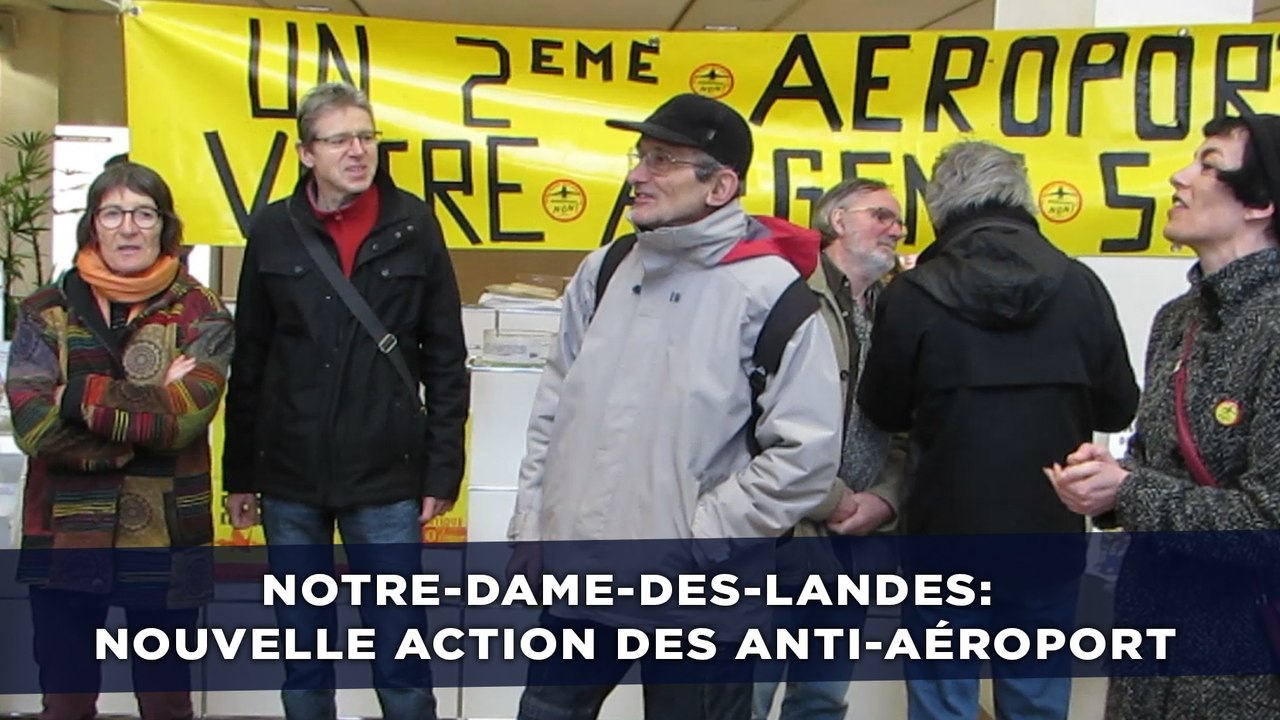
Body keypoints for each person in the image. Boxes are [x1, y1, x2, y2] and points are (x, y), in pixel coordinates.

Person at [506, 93, 843, 720]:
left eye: (663, 160)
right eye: (640, 157)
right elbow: (554, 408)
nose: (638, 174)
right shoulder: (604, 269)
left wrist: (698, 538)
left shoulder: (773, 296)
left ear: (721, 186)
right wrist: (533, 524)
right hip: (580, 583)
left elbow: (807, 456)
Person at [857, 140, 1140, 720]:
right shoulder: (1080, 285)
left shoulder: (912, 293)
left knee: (942, 705)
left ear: (941, 204)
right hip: (1048, 532)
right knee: (1036, 703)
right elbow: (1117, 409)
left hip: (942, 536)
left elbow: (881, 410)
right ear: (1023, 196)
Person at [222, 81, 469, 720]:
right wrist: (240, 475)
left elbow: (445, 357)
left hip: (386, 476)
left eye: (367, 137)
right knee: (301, 649)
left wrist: (443, 469)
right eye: (340, 140)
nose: (358, 151)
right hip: (288, 475)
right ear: (307, 153)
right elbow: (250, 358)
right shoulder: (274, 229)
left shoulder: (414, 223)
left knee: (401, 648)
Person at [1048, 114, 1280, 719]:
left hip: (1247, 662)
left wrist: (1133, 489)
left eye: (1208, 164)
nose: (1179, 177)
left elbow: (1270, 521)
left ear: (1261, 202)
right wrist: (1108, 486)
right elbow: (1157, 470)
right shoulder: (1178, 319)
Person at [6, 161, 233, 720]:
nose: (128, 228)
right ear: (93, 225)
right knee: (64, 699)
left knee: (166, 702)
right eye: (113, 213)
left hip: (165, 535)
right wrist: (147, 403)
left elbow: (183, 421)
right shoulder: (44, 312)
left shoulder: (202, 312)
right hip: (61, 533)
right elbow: (33, 425)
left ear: (164, 227)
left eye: (143, 214)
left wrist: (73, 392)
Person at [752, 178, 907, 720]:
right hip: (778, 531)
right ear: (837, 221)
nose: (897, 229)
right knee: (746, 695)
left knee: (821, 699)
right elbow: (748, 414)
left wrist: (885, 499)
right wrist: (831, 497)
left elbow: (916, 426)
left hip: (855, 542)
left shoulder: (901, 311)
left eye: (900, 220)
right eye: (882, 216)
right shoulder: (783, 291)